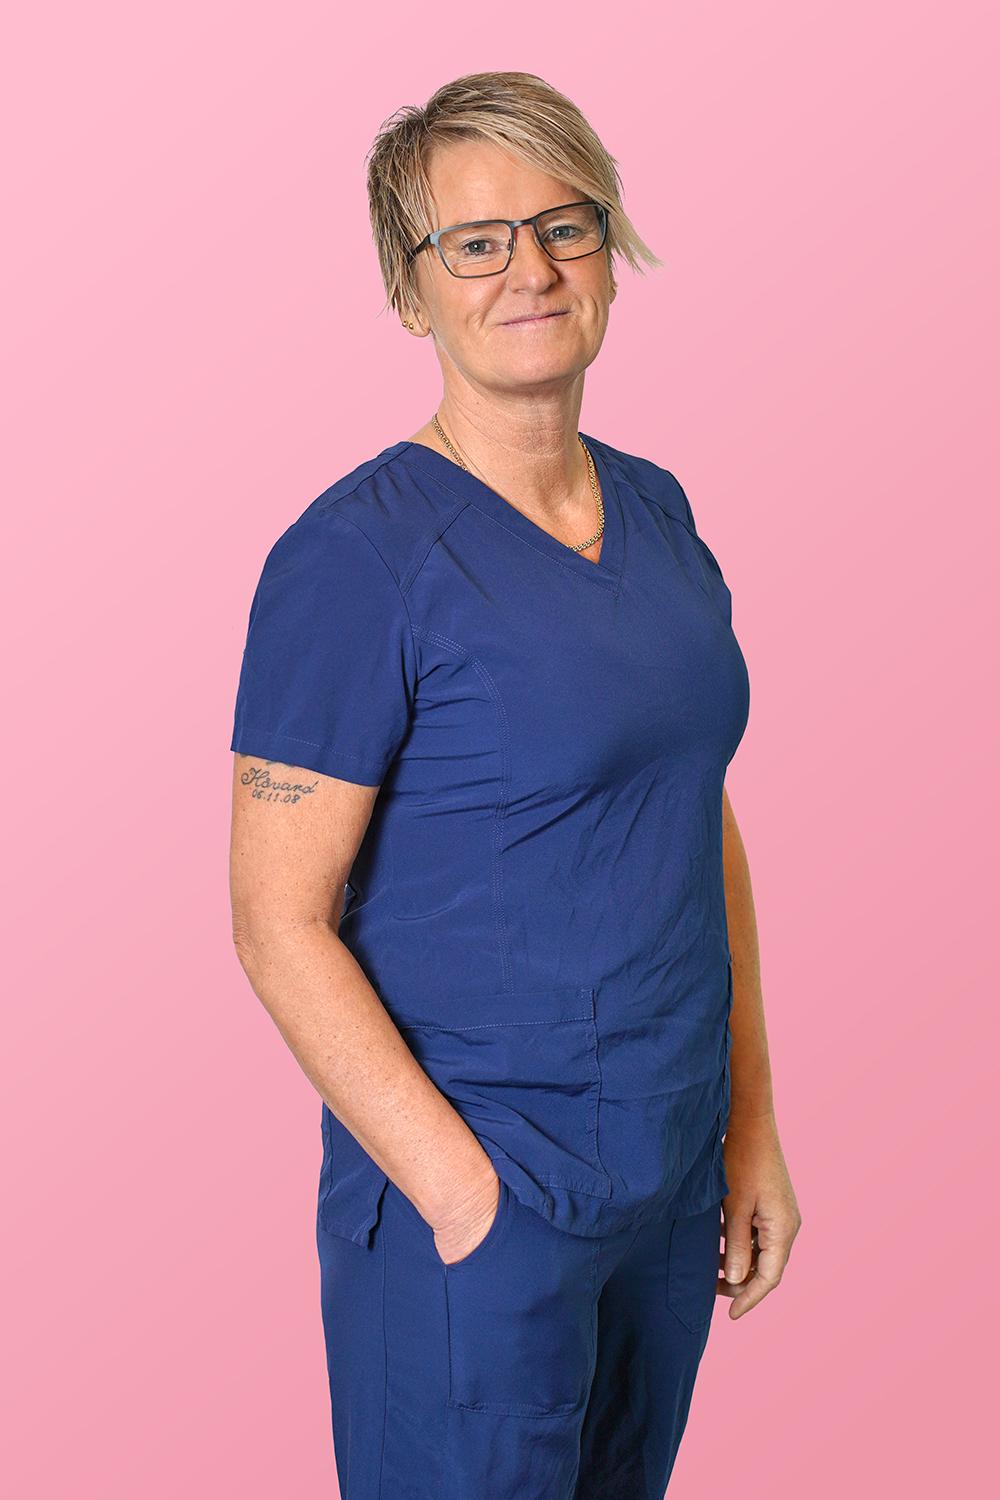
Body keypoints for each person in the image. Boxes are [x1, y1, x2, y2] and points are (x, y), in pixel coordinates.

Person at [228, 69, 801, 1500]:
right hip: (482, 1213)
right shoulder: (352, 561)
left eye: (564, 225)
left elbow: (691, 814)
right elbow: (276, 920)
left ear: (609, 249)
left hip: (667, 1183)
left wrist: (749, 1126)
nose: (530, 270)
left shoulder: (659, 509)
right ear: (409, 289)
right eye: (475, 242)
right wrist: (461, 1196)